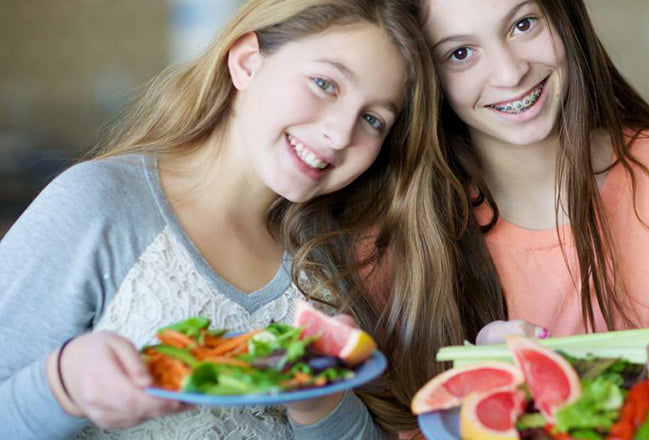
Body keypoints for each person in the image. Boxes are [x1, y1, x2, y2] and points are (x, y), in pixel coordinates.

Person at [0, 0, 450, 438]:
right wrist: (62, 384)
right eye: (324, 84)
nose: (339, 133)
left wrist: (319, 399)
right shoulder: (98, 203)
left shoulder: (328, 256)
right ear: (247, 63)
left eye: (373, 119)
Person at [416, 0, 649, 438]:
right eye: (459, 54)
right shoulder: (409, 222)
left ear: (566, 18)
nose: (509, 73)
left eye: (523, 24)